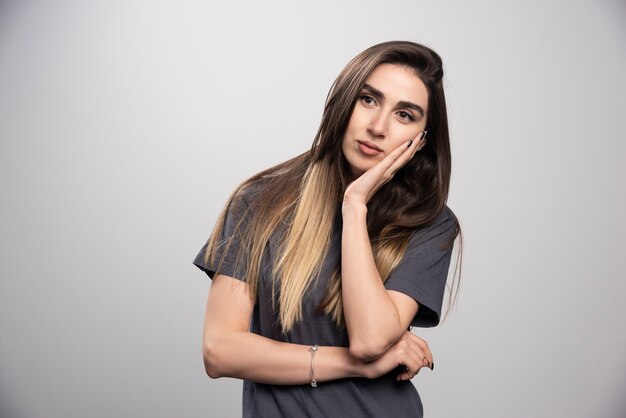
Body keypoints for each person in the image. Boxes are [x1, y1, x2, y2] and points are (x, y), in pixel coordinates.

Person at [193, 40, 462, 418]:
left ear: (421, 140)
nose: (378, 127)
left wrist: (354, 207)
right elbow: (219, 351)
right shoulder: (260, 202)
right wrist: (353, 365)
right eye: (368, 100)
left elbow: (370, 339)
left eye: (405, 115)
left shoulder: (430, 223)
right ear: (344, 100)